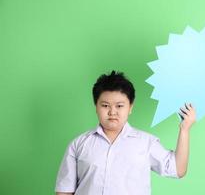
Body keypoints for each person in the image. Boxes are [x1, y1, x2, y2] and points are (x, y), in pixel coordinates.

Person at [55, 70, 196, 195]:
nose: (112, 112)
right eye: (105, 105)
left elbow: (178, 170)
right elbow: (64, 190)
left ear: (130, 107)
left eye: (119, 106)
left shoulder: (146, 143)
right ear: (96, 106)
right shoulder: (79, 144)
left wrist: (185, 129)